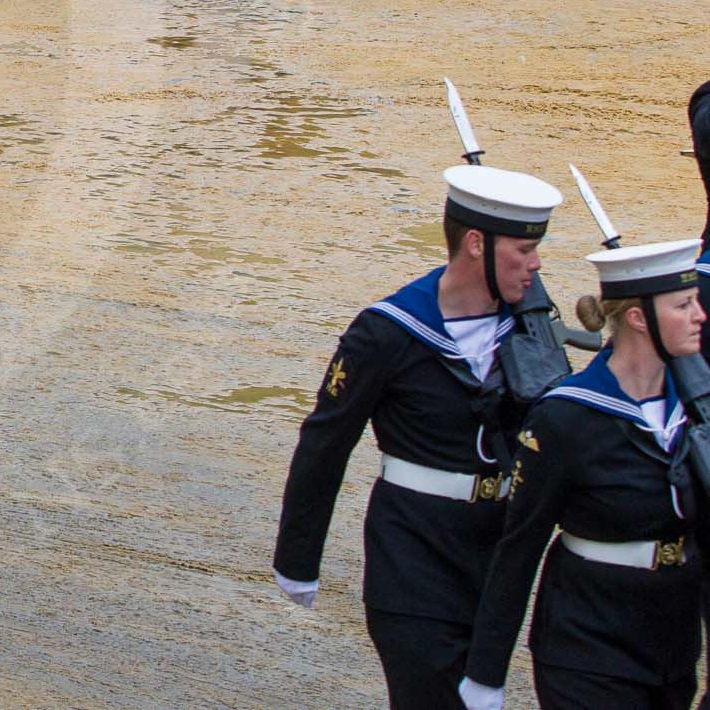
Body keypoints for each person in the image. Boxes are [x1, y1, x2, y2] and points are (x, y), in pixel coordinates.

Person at [273, 165, 564, 710]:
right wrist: (298, 558)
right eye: (524, 250)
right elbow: (325, 444)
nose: (537, 263)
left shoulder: (531, 329)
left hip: (495, 559)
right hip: (413, 557)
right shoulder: (386, 331)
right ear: (477, 243)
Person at [459, 239, 708, 710]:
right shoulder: (567, 418)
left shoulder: (697, 410)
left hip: (673, 648)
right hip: (587, 646)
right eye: (684, 305)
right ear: (638, 318)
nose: (700, 315)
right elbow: (519, 546)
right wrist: (485, 675)